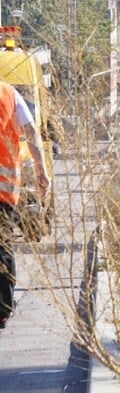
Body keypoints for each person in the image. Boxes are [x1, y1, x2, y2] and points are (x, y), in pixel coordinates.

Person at [1, 81, 50, 328]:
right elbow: (31, 131)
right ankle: (3, 309)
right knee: (3, 247)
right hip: (4, 190)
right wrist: (41, 171)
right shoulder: (9, 93)